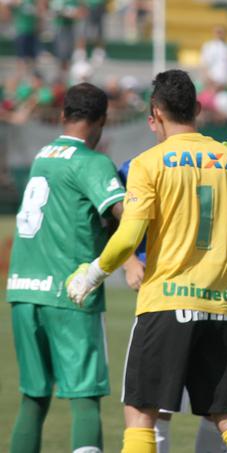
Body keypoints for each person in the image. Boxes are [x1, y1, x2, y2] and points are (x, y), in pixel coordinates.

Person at [66, 69, 227, 453]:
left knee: (140, 413)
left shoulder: (148, 163)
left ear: (155, 113)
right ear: (199, 108)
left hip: (166, 302)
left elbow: (128, 237)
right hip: (220, 307)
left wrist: (91, 275)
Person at [6, 82, 125, 453]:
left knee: (33, 397)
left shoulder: (44, 155)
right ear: (103, 120)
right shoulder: (92, 161)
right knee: (85, 397)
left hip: (24, 290)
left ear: (62, 116)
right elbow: (124, 216)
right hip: (70, 291)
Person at [117, 160, 227, 453]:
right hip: (180, 292)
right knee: (161, 404)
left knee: (214, 406)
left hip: (191, 292)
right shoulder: (222, 157)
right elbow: (115, 217)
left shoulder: (143, 163)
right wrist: (129, 262)